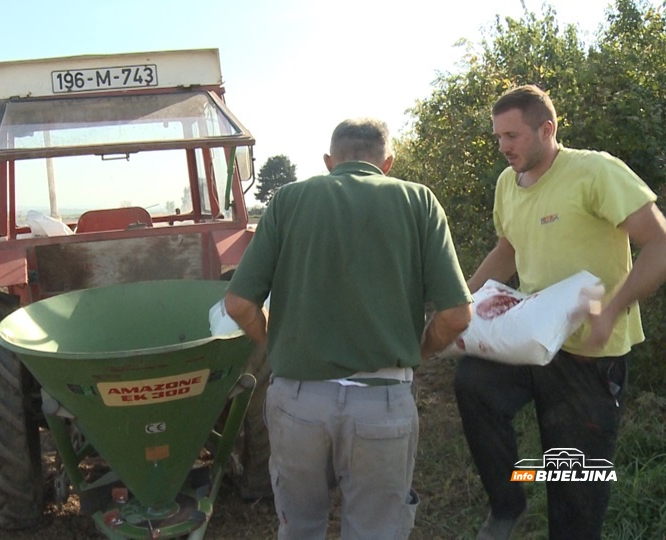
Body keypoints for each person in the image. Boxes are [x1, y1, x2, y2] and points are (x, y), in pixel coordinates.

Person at [224, 118, 473, 539]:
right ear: (388, 162)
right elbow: (456, 316)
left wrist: (278, 343)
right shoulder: (418, 200)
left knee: (300, 526)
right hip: (382, 399)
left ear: (328, 161)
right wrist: (417, 352)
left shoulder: (288, 200)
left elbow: (238, 304)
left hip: (297, 401)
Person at [454, 84, 666, 540]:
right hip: (531, 339)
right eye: (498, 137)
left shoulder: (595, 171)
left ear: (546, 129)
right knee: (473, 383)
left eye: (512, 136)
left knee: (575, 488)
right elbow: (508, 250)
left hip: (590, 354)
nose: (503, 146)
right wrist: (462, 302)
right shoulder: (507, 184)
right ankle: (507, 505)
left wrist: (612, 309)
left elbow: (659, 242)